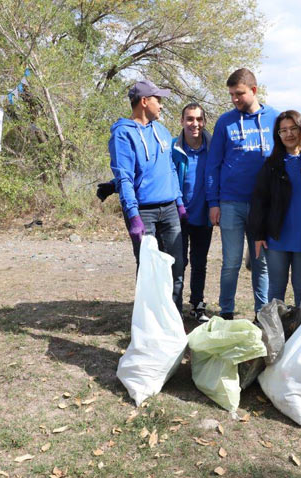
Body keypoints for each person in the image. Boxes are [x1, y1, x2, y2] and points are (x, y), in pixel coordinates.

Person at [205, 68, 279, 319]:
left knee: (261, 264)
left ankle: (262, 313)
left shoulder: (275, 119)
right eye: (232, 95)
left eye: (240, 94)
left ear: (254, 90)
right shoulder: (225, 122)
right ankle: (226, 311)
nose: (235, 99)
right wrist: (213, 202)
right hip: (230, 203)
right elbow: (213, 164)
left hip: (263, 205)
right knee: (231, 263)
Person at [108, 79, 186, 315]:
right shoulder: (122, 134)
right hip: (144, 212)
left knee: (177, 266)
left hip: (170, 209)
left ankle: (173, 318)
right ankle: (151, 321)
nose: (161, 106)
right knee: (149, 269)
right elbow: (125, 178)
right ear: (144, 102)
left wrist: (179, 202)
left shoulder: (161, 130)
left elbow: (170, 168)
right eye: (157, 100)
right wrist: (133, 216)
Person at [248, 110, 301, 307]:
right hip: (277, 238)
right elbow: (259, 200)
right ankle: (275, 335)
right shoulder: (271, 165)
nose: (289, 134)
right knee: (276, 289)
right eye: (283, 130)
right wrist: (258, 235)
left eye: (293, 128)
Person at [172, 103, 213, 322]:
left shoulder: (213, 147)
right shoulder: (173, 148)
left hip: (203, 216)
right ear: (182, 121)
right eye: (189, 119)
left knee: (199, 262)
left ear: (204, 122)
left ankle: (197, 304)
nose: (194, 124)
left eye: (198, 119)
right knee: (178, 262)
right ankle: (174, 306)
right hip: (177, 216)